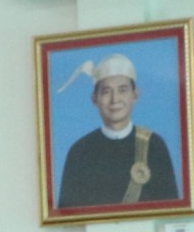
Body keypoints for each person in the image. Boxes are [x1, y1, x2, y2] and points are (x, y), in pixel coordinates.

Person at [55, 53, 180, 211]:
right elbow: (68, 216)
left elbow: (171, 212)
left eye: (122, 90)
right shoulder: (78, 152)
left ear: (135, 95)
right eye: (106, 92)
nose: (115, 100)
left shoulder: (155, 146)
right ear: (94, 99)